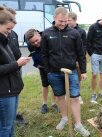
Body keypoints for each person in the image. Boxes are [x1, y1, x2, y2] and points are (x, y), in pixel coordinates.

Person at [41, 7, 90, 136]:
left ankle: (78, 124)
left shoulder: (74, 33)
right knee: (60, 97)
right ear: (54, 18)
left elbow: (80, 54)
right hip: (54, 73)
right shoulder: (46, 34)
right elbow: (44, 55)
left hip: (71, 72)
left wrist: (83, 71)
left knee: (74, 98)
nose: (63, 23)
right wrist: (48, 72)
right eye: (60, 21)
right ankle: (64, 118)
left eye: (65, 21)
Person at [0, 6, 31, 136]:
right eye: (8, 29)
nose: (10, 32)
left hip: (11, 90)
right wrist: (17, 64)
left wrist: (18, 64)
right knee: (5, 128)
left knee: (10, 124)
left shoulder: (4, 41)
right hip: (3, 92)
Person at [24, 29, 58, 114]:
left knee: (54, 84)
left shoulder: (48, 40)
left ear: (39, 35)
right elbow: (34, 54)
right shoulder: (30, 45)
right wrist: (37, 64)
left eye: (36, 40)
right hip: (42, 67)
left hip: (52, 67)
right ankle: (44, 103)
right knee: (45, 84)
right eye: (32, 42)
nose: (35, 43)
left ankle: (54, 103)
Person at [6, 7, 29, 126]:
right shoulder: (4, 33)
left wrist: (20, 60)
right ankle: (10, 116)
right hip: (8, 70)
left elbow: (16, 49)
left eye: (15, 18)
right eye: (12, 18)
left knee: (16, 92)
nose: (14, 21)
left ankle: (14, 114)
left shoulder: (13, 33)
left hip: (17, 68)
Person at [67, 12, 87, 104]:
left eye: (69, 20)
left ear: (75, 20)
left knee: (77, 78)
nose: (67, 22)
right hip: (68, 59)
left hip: (78, 59)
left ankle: (78, 95)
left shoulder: (81, 31)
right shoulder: (65, 30)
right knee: (67, 78)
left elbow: (84, 46)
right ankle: (68, 95)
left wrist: (79, 60)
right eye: (66, 20)